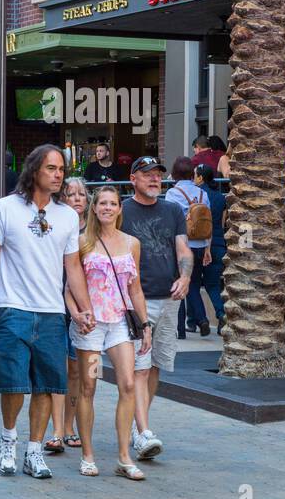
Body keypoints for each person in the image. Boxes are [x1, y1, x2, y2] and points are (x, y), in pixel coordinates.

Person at [0, 144, 95, 479]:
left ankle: (34, 452)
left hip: (51, 313)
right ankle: (9, 441)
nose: (58, 174)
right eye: (51, 168)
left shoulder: (67, 215)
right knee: (13, 384)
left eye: (61, 169)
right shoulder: (5, 208)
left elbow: (73, 266)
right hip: (14, 309)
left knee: (47, 386)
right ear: (34, 170)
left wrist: (84, 308)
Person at [70, 186, 153, 479]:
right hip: (92, 325)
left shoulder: (132, 243)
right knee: (89, 386)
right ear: (94, 208)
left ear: (120, 209)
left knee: (128, 384)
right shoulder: (81, 242)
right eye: (102, 203)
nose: (107, 207)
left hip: (119, 323)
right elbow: (68, 286)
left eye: (112, 203)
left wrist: (145, 326)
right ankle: (88, 455)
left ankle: (123, 457)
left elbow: (136, 288)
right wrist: (77, 313)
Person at [119, 156, 190, 461]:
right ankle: (141, 431)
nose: (154, 179)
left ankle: (140, 430)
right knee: (138, 367)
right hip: (138, 300)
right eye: (147, 174)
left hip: (170, 299)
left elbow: (183, 249)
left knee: (156, 365)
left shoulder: (173, 209)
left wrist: (186, 276)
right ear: (133, 178)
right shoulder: (122, 209)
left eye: (158, 174)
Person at [45, 177, 89, 454]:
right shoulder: (52, 224)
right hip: (52, 303)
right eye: (70, 194)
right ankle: (57, 431)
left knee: (77, 370)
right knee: (56, 367)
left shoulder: (94, 233)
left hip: (81, 308)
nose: (76, 198)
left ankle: (70, 426)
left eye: (81, 194)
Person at [165, 156, 211, 337]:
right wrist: (207, 247)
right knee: (193, 284)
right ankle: (201, 319)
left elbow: (169, 221)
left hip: (181, 244)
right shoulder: (203, 194)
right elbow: (208, 221)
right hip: (200, 244)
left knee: (179, 284)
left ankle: (182, 328)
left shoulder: (172, 193)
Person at [195, 164, 227, 331]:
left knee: (193, 284)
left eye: (195, 175)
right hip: (218, 243)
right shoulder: (221, 197)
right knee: (213, 284)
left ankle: (200, 319)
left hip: (200, 243)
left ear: (200, 177)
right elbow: (222, 223)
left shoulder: (198, 195)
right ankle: (220, 314)